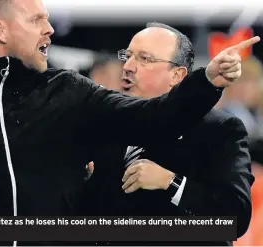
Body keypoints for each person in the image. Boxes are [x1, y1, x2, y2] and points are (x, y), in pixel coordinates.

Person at [0, 0, 258, 246]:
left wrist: (205, 83)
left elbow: (154, 120)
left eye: (145, 59)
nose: (50, 28)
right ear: (1, 29)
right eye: (36, 19)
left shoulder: (72, 93)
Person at [82, 22, 255, 246]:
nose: (128, 66)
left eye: (144, 58)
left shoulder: (219, 129)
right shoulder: (110, 122)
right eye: (128, 56)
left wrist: (172, 183)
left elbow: (235, 218)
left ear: (177, 75)